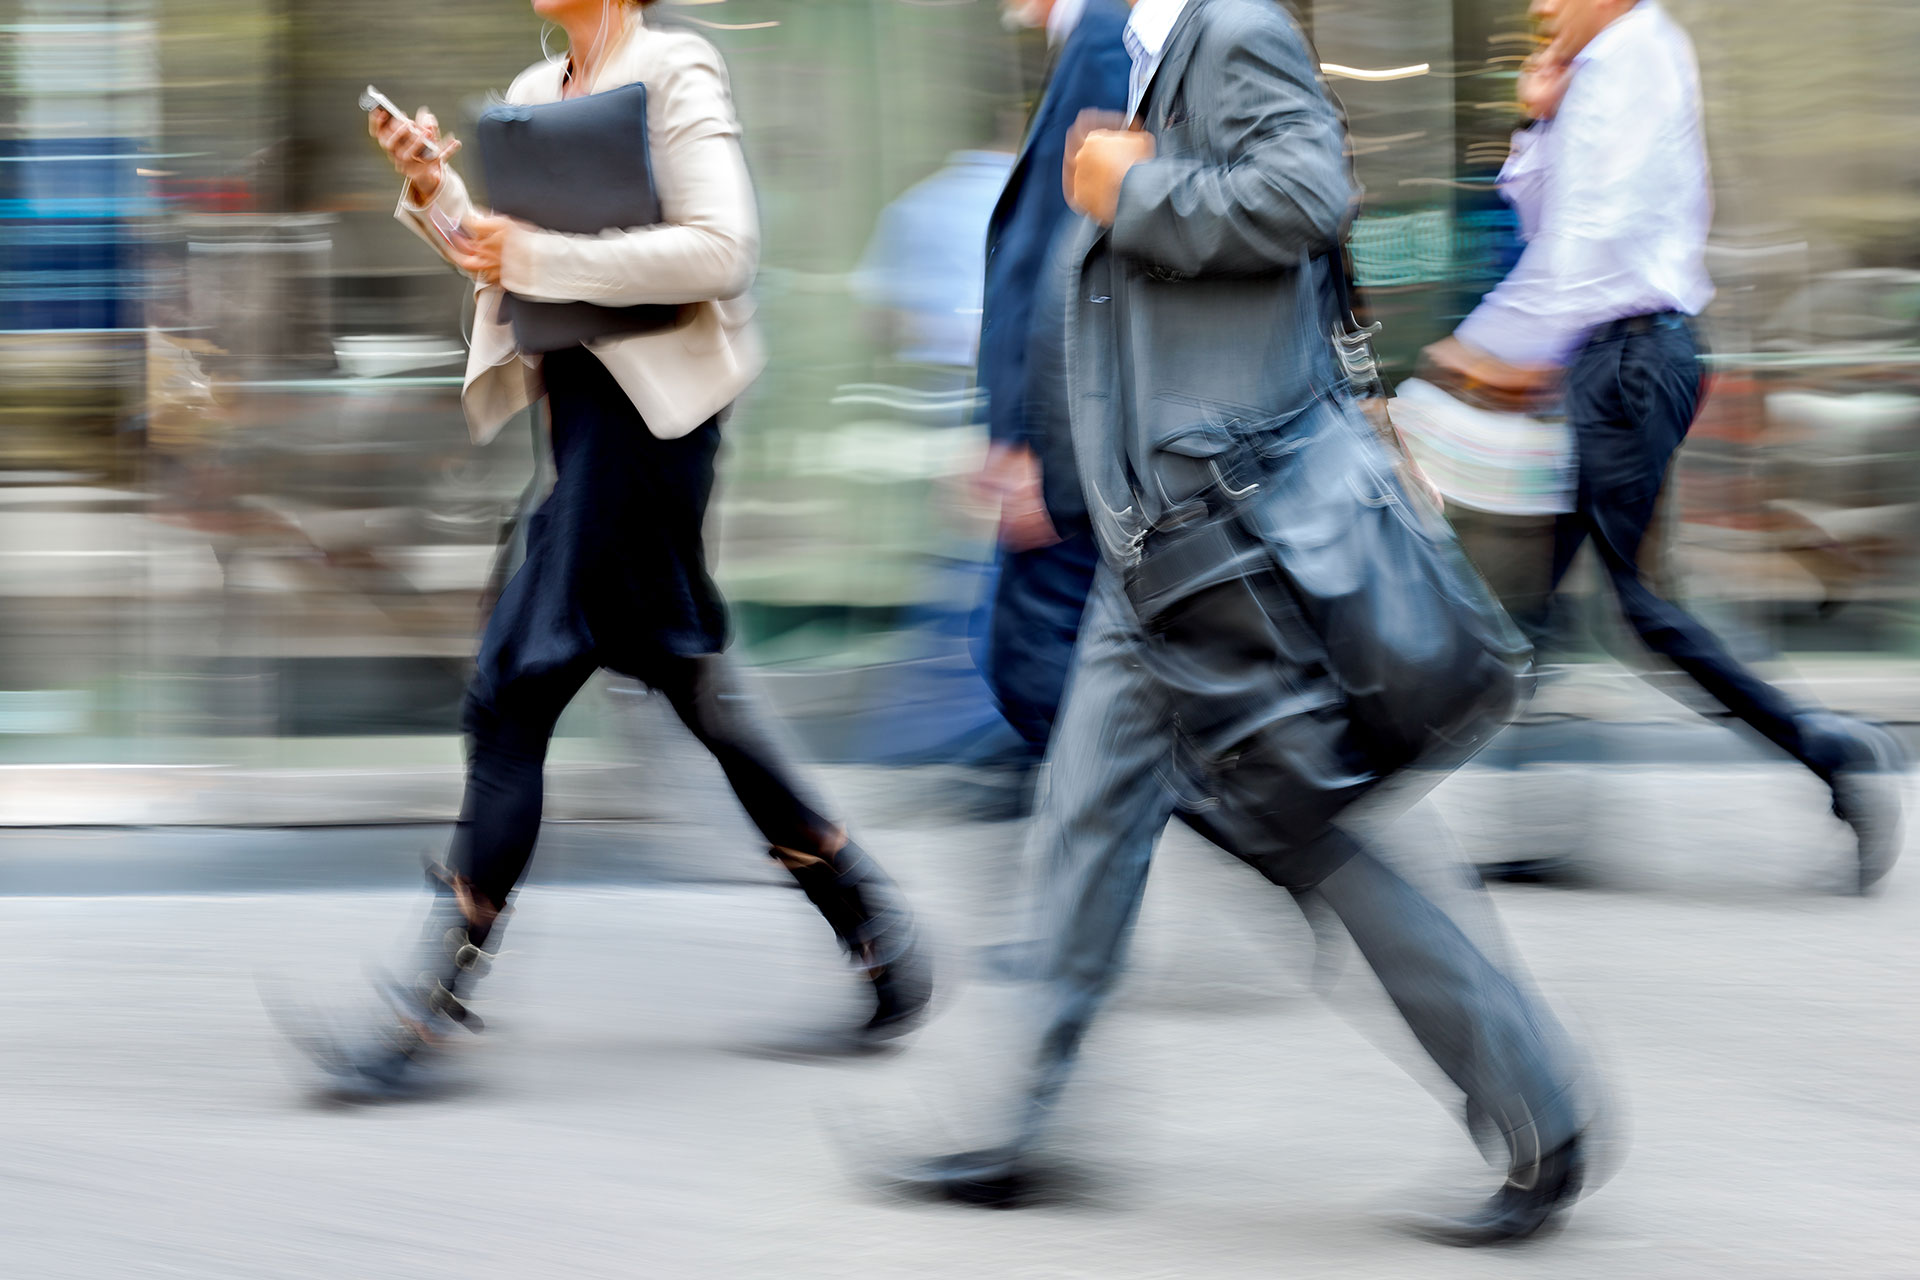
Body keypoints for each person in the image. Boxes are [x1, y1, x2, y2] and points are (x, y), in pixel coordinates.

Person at [883, 0, 1595, 1246]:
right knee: (1086, 827)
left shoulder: (1232, 25)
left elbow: (1305, 194)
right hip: (1151, 538)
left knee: (1312, 830)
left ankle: (1541, 1104)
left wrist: (1136, 188)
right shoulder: (1164, 51)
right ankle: (1019, 1125)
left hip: (1228, 540)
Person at [286, 0, 932, 1095]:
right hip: (578, 432)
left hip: (650, 439)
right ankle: (874, 930)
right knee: (692, 685)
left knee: (513, 688)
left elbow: (723, 252)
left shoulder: (677, 69)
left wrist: (535, 250)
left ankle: (431, 999)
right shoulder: (540, 95)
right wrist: (433, 188)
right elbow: (507, 265)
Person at [1423, 0, 1906, 893]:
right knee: (1537, 609)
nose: (1539, 7)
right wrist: (1539, 119)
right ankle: (1542, 828)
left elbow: (1588, 243)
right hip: (1608, 359)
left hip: (1630, 359)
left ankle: (1833, 749)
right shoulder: (1603, 68)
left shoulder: (1636, 53)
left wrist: (1485, 346)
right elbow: (1546, 219)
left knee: (1640, 607)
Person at [974, 0, 1130, 761]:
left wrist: (1025, 437)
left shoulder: (1104, 37)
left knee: (1036, 671)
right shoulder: (1096, 37)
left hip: (1074, 427)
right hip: (1084, 426)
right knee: (1048, 669)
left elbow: (1066, 255)